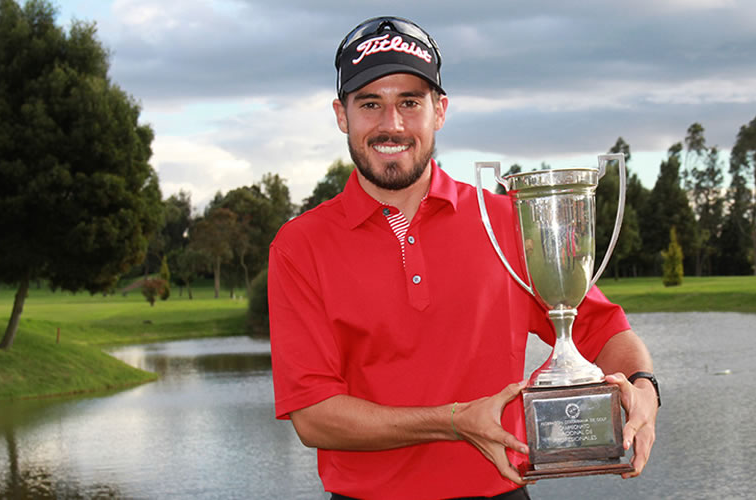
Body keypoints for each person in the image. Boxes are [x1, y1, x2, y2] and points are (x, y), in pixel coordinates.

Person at [268, 16, 659, 500]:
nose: (392, 124)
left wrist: (643, 388)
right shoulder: (299, 244)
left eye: (410, 102)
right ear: (341, 115)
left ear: (440, 110)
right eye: (370, 103)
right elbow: (314, 416)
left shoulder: (508, 221)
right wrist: (455, 422)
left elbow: (601, 329)